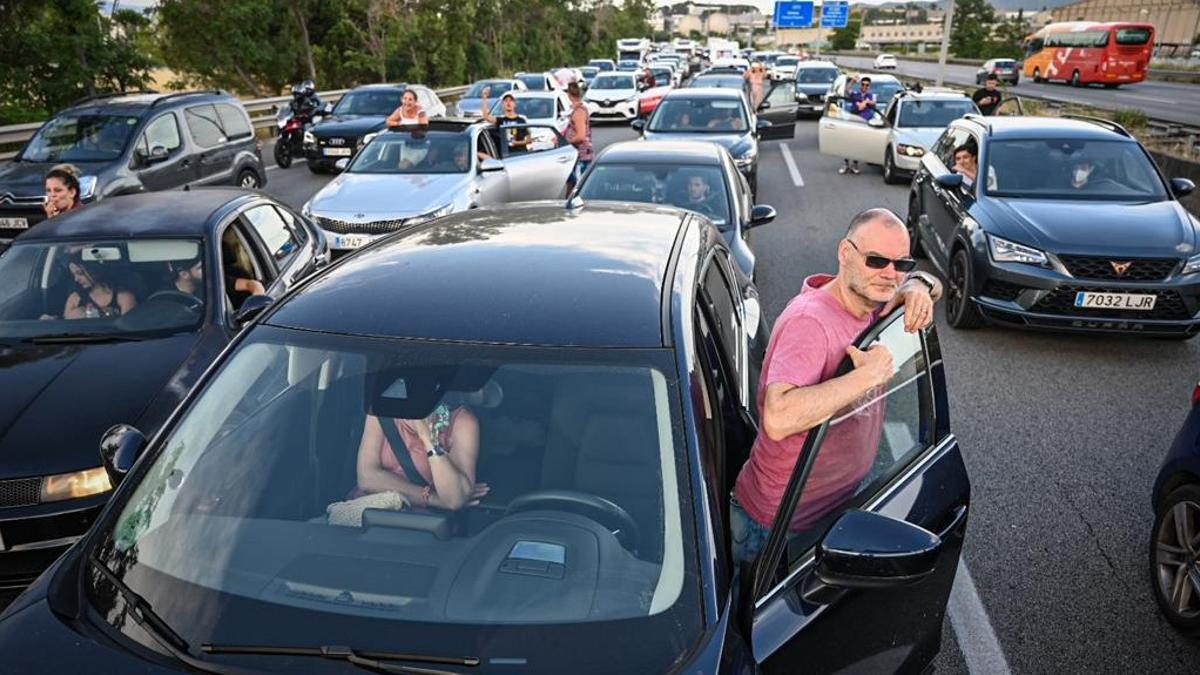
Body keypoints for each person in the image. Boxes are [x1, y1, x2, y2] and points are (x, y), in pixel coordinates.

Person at [730, 209, 943, 562]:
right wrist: (866, 376)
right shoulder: (810, 322)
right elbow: (779, 417)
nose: (890, 275)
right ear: (845, 253)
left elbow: (932, 285)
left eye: (901, 264)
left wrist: (918, 284)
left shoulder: (871, 300)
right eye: (876, 260)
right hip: (777, 527)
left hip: (829, 509)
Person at [354, 402, 489, 511]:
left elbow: (454, 499)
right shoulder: (381, 410)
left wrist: (428, 440)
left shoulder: (461, 421)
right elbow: (367, 478)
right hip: (373, 512)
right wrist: (433, 499)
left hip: (425, 524)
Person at [62, 260, 138, 319]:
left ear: (94, 270)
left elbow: (128, 327)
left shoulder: (124, 297)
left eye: (80, 273)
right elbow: (67, 328)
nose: (76, 279)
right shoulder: (75, 298)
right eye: (74, 275)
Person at [838, 78, 878, 175]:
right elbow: (847, 90)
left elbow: (874, 102)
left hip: (863, 124)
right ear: (860, 85)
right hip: (853, 122)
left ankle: (855, 164)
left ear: (869, 86)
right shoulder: (855, 94)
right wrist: (852, 81)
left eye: (867, 85)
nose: (864, 87)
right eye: (863, 84)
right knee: (848, 143)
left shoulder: (871, 96)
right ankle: (846, 164)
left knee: (858, 144)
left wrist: (866, 102)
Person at [480, 87, 532, 153]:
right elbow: (486, 116)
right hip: (506, 154)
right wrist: (484, 98)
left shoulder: (521, 120)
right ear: (503, 105)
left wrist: (517, 143)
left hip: (520, 153)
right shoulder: (500, 120)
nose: (508, 103)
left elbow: (529, 140)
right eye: (506, 101)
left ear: (514, 104)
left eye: (510, 100)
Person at [564, 82, 594, 192]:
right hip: (577, 155)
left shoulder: (579, 112)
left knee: (578, 187)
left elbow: (581, 136)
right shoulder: (578, 110)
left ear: (569, 95)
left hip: (581, 156)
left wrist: (567, 141)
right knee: (571, 184)